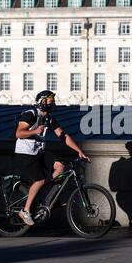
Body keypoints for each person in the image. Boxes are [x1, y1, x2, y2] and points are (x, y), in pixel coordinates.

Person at [14, 90, 89, 226]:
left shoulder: (48, 118)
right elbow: (19, 133)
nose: (53, 103)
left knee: (60, 166)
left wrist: (79, 151)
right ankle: (25, 211)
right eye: (50, 100)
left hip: (38, 151)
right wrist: (35, 131)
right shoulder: (30, 114)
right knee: (40, 179)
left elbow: (63, 136)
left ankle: (46, 199)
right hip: (25, 153)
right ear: (42, 102)